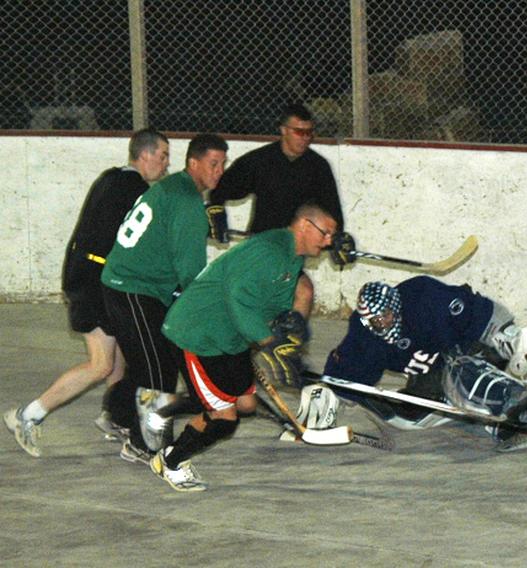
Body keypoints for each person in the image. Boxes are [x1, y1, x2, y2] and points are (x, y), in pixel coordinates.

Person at [4, 129, 170, 457]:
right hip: (92, 280)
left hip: (87, 272)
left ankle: (115, 416)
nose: (166, 164)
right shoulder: (134, 188)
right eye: (163, 155)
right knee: (100, 365)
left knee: (120, 350)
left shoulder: (113, 177)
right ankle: (28, 416)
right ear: (145, 154)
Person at [148, 203, 337, 492]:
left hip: (230, 337)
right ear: (304, 226)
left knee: (246, 405)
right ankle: (169, 461)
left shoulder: (290, 255)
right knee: (224, 420)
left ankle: (160, 405)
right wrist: (269, 343)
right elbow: (238, 299)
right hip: (200, 335)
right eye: (325, 234)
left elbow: (276, 301)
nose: (328, 242)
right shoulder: (269, 253)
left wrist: (287, 342)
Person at [101, 133, 228, 465]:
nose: (219, 171)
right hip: (133, 287)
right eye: (213, 163)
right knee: (157, 373)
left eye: (223, 164)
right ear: (193, 163)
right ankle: (145, 446)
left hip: (138, 285)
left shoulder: (175, 189)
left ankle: (117, 413)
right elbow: (190, 276)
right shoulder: (187, 203)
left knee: (157, 362)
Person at [320, 276, 527, 452]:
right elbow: (344, 374)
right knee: (416, 412)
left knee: (460, 371)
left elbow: (477, 310)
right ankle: (456, 400)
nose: (381, 326)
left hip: (470, 346)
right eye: (374, 322)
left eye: (385, 317)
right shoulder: (365, 332)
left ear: (395, 306)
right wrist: (328, 392)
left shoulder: (422, 296)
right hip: (433, 370)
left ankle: (518, 414)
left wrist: (508, 335)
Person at [205, 102, 345, 240]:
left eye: (309, 133)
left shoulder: (318, 167)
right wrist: (216, 210)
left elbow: (332, 210)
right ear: (283, 130)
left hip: (296, 247)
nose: (305, 138)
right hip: (262, 243)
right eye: (299, 132)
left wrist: (338, 238)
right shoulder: (259, 160)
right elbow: (223, 189)